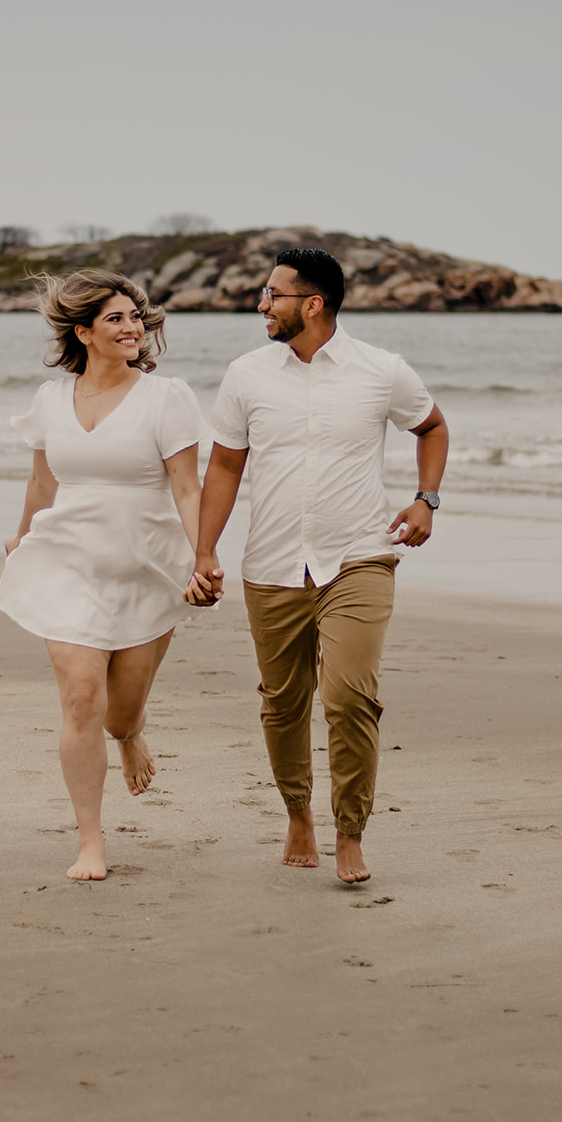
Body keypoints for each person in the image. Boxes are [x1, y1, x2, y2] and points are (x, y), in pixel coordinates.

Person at [185, 247, 448, 885]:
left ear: (312, 303)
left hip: (359, 556)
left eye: (272, 294)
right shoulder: (246, 374)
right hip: (271, 563)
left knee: (349, 697)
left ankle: (350, 831)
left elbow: (433, 426)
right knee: (282, 703)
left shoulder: (381, 371)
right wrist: (203, 550)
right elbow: (224, 466)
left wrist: (425, 499)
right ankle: (298, 814)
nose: (260, 304)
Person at [0, 269, 203, 882]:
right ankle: (90, 840)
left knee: (119, 710)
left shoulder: (169, 398)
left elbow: (187, 489)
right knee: (83, 696)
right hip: (67, 559)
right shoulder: (50, 400)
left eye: (136, 316)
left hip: (146, 563)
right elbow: (42, 481)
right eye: (115, 318)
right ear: (82, 332)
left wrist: (204, 559)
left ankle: (131, 732)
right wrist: (22, 534)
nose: (132, 327)